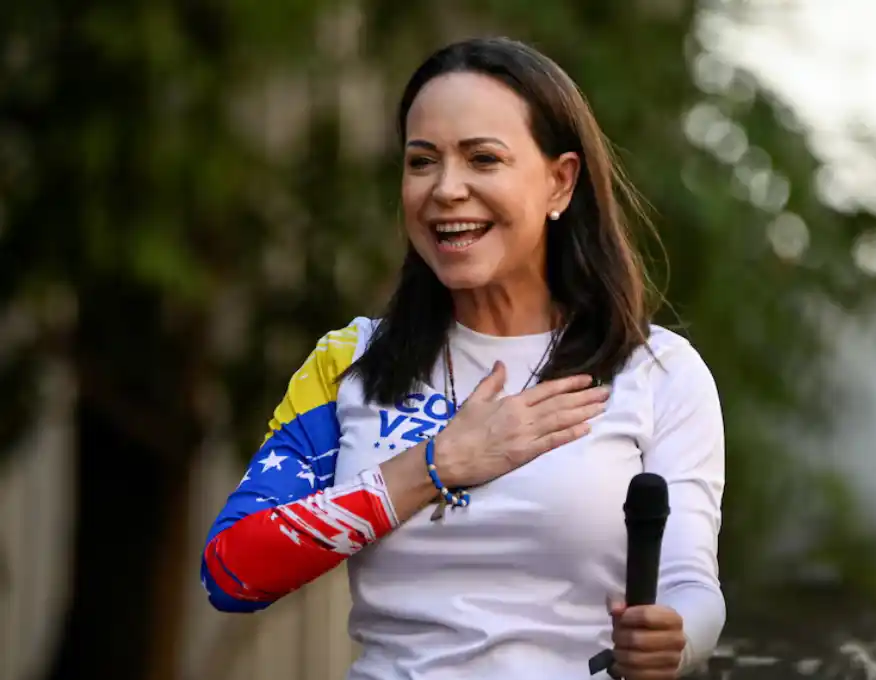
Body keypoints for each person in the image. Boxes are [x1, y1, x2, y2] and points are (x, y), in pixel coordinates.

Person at [200, 36, 726, 680]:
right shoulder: (351, 362)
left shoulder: (658, 371)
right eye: (422, 162)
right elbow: (232, 571)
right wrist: (434, 465)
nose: (446, 189)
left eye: (483, 159)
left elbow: (691, 586)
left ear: (560, 181)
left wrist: (677, 641)